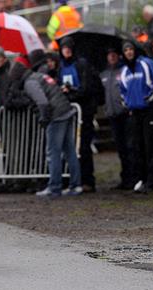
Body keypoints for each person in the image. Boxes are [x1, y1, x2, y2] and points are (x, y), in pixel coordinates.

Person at [9, 61, 82, 198]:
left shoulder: (30, 83)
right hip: (66, 110)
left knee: (53, 153)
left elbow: (42, 102)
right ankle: (75, 185)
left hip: (56, 116)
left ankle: (54, 187)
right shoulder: (39, 75)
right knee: (69, 151)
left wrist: (44, 118)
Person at [57, 36, 98, 192]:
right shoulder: (61, 66)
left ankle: (88, 180)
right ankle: (70, 179)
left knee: (84, 146)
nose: (66, 50)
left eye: (68, 47)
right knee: (68, 147)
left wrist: (72, 92)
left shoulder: (81, 64)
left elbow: (86, 88)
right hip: (68, 112)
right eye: (63, 48)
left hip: (83, 111)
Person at [119, 41, 153, 193]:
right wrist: (126, 104)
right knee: (137, 147)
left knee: (150, 146)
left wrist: (149, 100)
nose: (129, 52)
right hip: (134, 113)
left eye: (130, 49)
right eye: (126, 50)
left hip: (148, 111)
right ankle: (141, 179)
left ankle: (152, 180)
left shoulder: (146, 64)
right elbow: (122, 90)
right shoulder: (124, 71)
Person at [100, 48, 135, 190]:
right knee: (120, 148)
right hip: (112, 115)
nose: (112, 56)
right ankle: (125, 177)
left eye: (114, 53)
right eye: (109, 54)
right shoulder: (103, 74)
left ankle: (133, 177)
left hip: (125, 114)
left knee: (130, 147)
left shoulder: (124, 71)